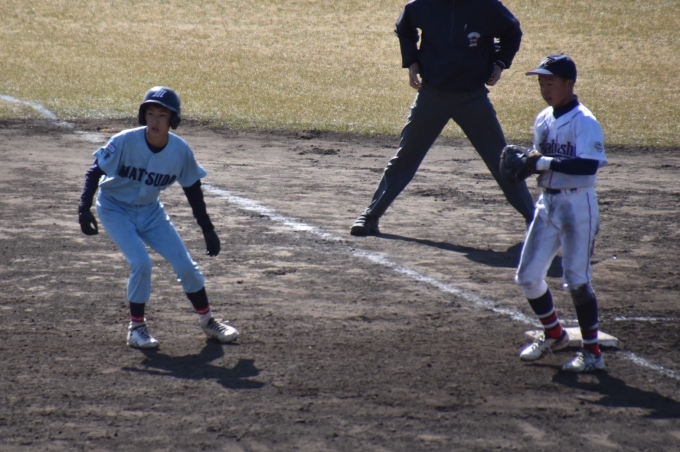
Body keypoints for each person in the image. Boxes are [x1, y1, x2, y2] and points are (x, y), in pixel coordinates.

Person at [350, 0, 535, 236]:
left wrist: (500, 63)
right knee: (405, 158)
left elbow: (512, 31)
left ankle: (534, 219)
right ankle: (371, 215)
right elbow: (405, 27)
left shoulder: (486, 6)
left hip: (473, 97)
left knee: (501, 160)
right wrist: (411, 62)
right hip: (432, 96)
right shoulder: (423, 6)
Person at [77, 86, 239, 349]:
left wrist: (207, 228)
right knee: (141, 263)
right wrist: (84, 209)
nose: (155, 121)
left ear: (173, 120)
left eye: (162, 115)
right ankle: (136, 329)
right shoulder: (124, 141)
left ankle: (208, 321)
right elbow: (95, 171)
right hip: (115, 208)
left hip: (151, 211)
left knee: (186, 265)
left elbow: (193, 190)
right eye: (150, 113)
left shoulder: (180, 150)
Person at [516, 54, 608, 372]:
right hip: (547, 204)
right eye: (541, 83)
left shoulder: (585, 121)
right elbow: (539, 159)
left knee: (577, 282)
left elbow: (588, 165)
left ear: (569, 84)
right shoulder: (543, 118)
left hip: (578, 205)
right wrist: (527, 165)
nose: (545, 89)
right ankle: (555, 335)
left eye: (550, 83)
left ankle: (592, 354)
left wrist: (542, 162)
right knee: (528, 277)